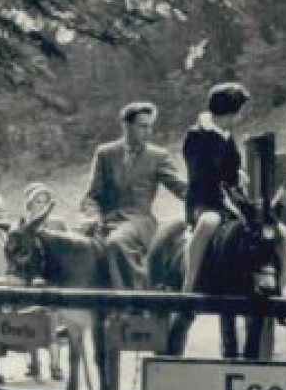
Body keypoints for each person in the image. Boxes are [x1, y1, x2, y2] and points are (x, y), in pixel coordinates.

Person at [81, 102, 188, 289]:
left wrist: (205, 196)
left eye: (150, 126)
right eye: (143, 126)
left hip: (139, 221)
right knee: (79, 247)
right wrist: (93, 217)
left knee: (116, 242)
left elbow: (180, 188)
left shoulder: (158, 156)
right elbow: (92, 196)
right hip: (105, 220)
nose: (149, 132)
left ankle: (135, 300)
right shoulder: (105, 153)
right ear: (126, 126)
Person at [181, 83, 251, 295]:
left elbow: (232, 166)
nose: (241, 117)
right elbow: (200, 176)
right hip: (203, 200)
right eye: (239, 112)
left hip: (227, 199)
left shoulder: (227, 135)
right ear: (230, 113)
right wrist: (231, 178)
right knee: (209, 222)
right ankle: (189, 281)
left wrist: (238, 174)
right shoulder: (196, 136)